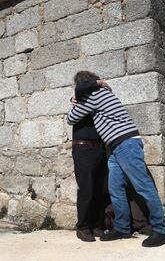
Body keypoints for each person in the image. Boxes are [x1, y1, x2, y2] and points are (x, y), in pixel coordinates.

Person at [67, 71, 165, 247]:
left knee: (143, 186)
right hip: (115, 147)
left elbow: (71, 118)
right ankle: (122, 228)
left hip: (126, 144)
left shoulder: (95, 95)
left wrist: (87, 92)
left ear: (84, 85)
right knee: (115, 188)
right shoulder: (101, 94)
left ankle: (161, 230)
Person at [69, 79, 111, 242]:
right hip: (83, 148)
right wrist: (98, 82)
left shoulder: (99, 102)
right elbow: (81, 87)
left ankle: (96, 225)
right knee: (86, 189)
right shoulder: (80, 103)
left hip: (99, 147)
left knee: (101, 188)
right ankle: (83, 227)